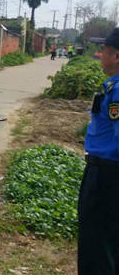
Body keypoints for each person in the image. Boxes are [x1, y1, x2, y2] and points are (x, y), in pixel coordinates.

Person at [77, 27, 119, 274]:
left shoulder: (117, 91)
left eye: (104, 50)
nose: (99, 54)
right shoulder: (112, 86)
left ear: (117, 57)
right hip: (105, 171)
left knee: (97, 240)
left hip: (107, 175)